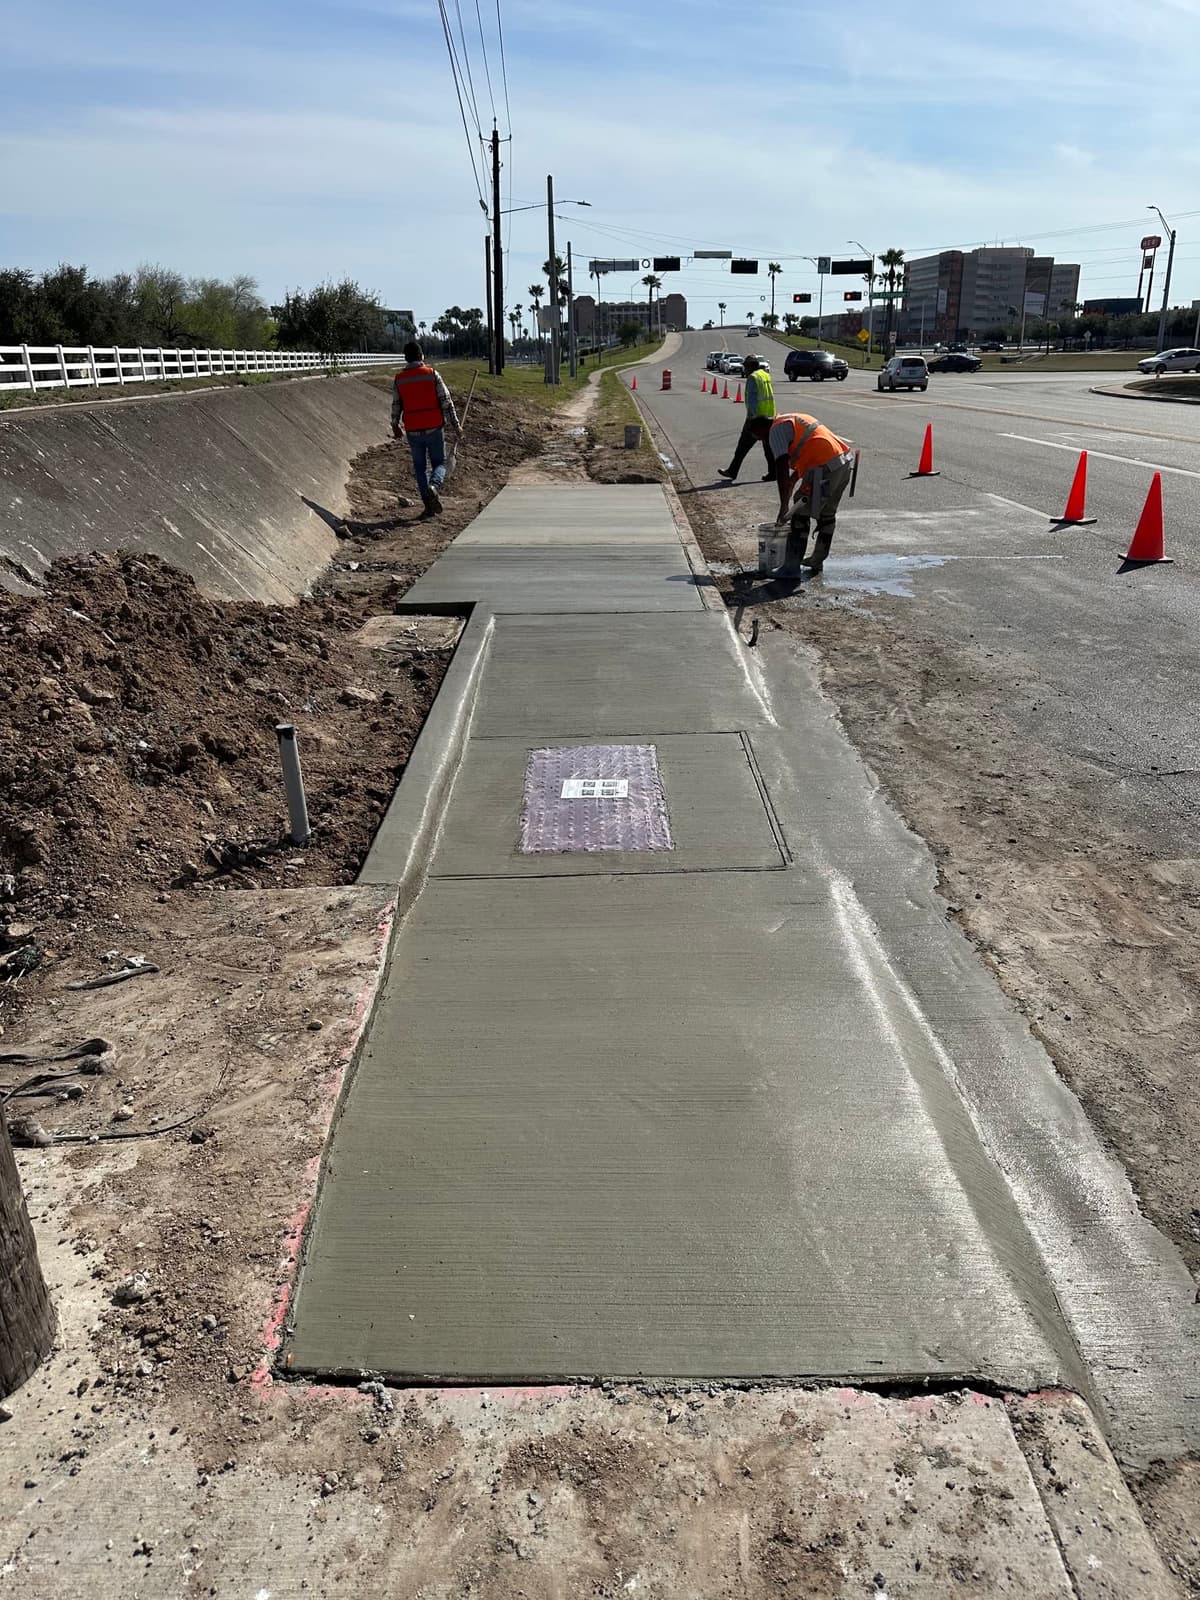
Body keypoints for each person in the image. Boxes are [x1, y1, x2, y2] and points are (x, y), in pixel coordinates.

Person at [750, 410, 855, 579]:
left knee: (800, 511)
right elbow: (808, 446)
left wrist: (784, 505)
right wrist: (793, 480)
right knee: (827, 514)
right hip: (842, 462)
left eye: (759, 437)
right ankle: (817, 560)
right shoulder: (790, 419)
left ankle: (791, 568)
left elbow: (781, 467)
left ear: (761, 429)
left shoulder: (775, 432)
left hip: (825, 467)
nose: (762, 441)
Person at [391, 341, 461, 517]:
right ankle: (434, 486)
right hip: (434, 427)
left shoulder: (400, 379)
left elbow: (396, 405)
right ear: (422, 356)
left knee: (420, 467)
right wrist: (456, 424)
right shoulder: (432, 374)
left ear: (406, 358)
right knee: (440, 463)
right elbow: (446, 401)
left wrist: (395, 425)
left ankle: (428, 504)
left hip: (413, 429)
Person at [717, 355, 775, 482]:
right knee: (768, 448)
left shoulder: (753, 378)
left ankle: (732, 471)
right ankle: (773, 472)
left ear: (751, 366)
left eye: (746, 366)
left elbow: (753, 401)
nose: (744, 369)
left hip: (757, 419)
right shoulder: (765, 375)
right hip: (770, 417)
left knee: (742, 447)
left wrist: (750, 419)